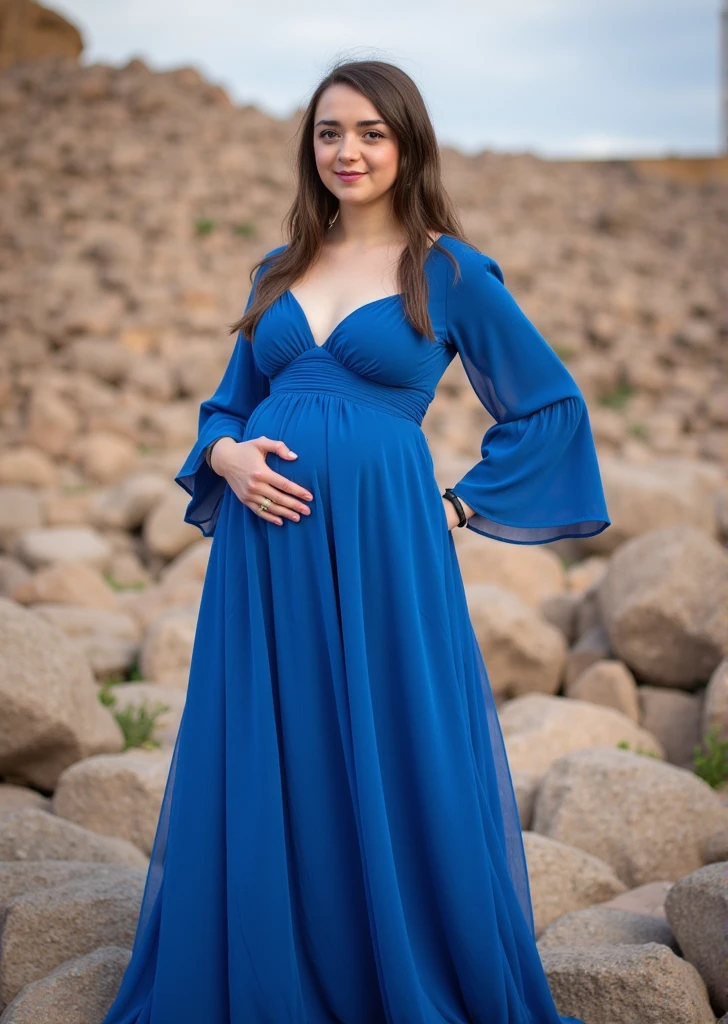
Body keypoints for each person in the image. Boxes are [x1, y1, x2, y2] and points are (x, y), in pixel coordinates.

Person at [101, 58, 609, 1024]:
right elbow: (223, 407)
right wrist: (228, 457)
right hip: (266, 554)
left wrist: (453, 509)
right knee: (274, 746)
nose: (349, 151)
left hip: (387, 551)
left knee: (393, 742)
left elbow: (549, 409)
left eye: (372, 132)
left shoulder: (449, 270)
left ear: (407, 143)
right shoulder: (279, 272)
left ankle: (398, 964)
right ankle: (270, 967)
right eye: (331, 132)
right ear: (311, 147)